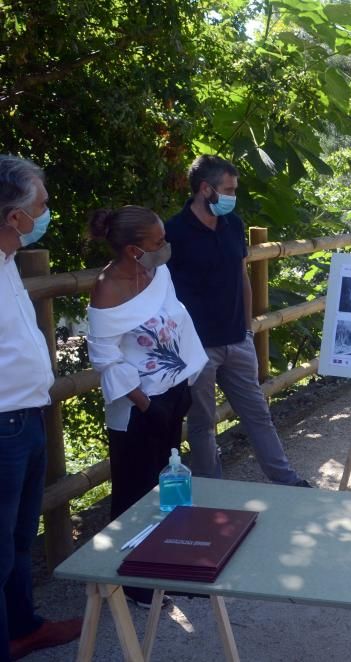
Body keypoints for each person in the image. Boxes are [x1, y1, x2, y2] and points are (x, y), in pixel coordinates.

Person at [86, 205, 208, 608]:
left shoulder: (159, 274)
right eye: (158, 242)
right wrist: (142, 401)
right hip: (138, 405)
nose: (165, 247)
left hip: (173, 391)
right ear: (134, 250)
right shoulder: (107, 287)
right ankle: (132, 581)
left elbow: (175, 322)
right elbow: (105, 357)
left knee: (165, 487)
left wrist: (186, 379)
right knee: (133, 490)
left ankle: (164, 567)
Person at [165, 156, 310, 486]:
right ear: (206, 189)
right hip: (197, 346)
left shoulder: (233, 223)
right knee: (202, 423)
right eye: (228, 190)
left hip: (236, 338)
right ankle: (211, 489)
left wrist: (246, 328)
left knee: (258, 413)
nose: (233, 196)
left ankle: (286, 481)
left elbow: (241, 275)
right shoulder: (174, 231)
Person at [0, 155, 82, 659]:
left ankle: (22, 627)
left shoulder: (7, 259)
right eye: (42, 206)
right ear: (14, 217)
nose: (48, 214)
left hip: (25, 419)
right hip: (3, 424)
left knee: (17, 541)